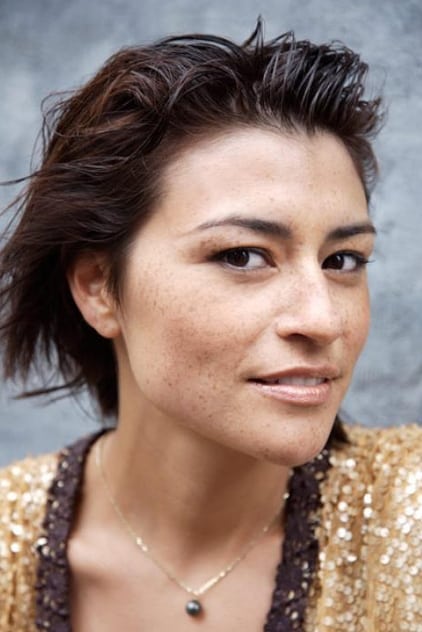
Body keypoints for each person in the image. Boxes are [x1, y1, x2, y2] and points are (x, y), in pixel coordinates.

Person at [0, 22, 420, 632]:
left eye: (342, 261)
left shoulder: (406, 519)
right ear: (98, 287)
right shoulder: (9, 546)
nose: (324, 319)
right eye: (243, 256)